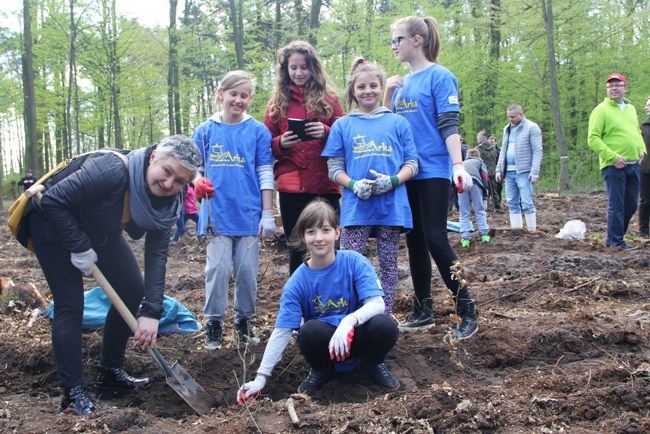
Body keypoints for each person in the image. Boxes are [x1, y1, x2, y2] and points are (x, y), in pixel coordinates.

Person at [25, 136, 202, 415]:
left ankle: (109, 373)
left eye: (180, 181)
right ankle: (72, 392)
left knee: (132, 290)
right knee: (71, 304)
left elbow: (157, 255)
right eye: (167, 172)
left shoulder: (169, 203)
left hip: (99, 227)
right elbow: (54, 200)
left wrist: (152, 311)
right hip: (52, 221)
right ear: (154, 156)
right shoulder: (111, 171)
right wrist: (79, 246)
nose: (169, 185)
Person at [236, 199, 400, 402]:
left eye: (325, 230)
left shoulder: (355, 262)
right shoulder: (297, 282)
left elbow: (377, 303)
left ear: (337, 233)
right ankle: (321, 370)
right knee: (309, 331)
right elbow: (282, 331)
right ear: (303, 237)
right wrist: (260, 379)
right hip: (326, 344)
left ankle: (371, 364)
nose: (319, 238)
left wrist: (348, 322)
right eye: (311, 232)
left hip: (357, 337)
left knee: (385, 325)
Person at [383, 15, 478, 339]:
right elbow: (390, 127)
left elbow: (448, 124)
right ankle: (423, 310)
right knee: (414, 239)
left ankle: (466, 306)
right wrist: (387, 94)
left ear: (417, 40)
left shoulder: (440, 76)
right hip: (406, 172)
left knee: (436, 237)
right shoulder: (400, 83)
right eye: (392, 41)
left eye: (398, 39)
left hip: (435, 168)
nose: (394, 46)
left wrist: (458, 165)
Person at [322, 57, 418, 314]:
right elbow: (334, 168)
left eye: (374, 86)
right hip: (356, 209)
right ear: (353, 91)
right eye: (361, 87)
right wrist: (353, 184)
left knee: (388, 265)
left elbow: (412, 163)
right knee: (349, 263)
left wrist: (394, 180)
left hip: (391, 207)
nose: (368, 91)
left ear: (381, 87)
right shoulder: (342, 125)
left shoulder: (398, 122)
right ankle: (350, 316)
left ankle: (382, 318)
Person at [192, 70, 276, 350]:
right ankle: (214, 322)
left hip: (249, 215)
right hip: (217, 215)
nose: (238, 100)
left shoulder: (257, 132)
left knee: (247, 271)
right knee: (216, 268)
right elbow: (196, 169)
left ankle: (244, 321)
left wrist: (267, 214)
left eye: (244, 95)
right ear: (221, 94)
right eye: (233, 94)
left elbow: (265, 173)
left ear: (249, 99)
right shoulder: (205, 131)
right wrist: (197, 182)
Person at [264, 40, 345, 275]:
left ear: (313, 68)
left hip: (324, 183)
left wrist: (326, 133)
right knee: (296, 247)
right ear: (285, 70)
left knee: (329, 243)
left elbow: (345, 139)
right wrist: (280, 143)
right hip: (291, 186)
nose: (298, 73)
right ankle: (298, 302)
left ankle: (332, 295)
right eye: (293, 67)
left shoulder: (330, 100)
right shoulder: (276, 104)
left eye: (304, 67)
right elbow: (264, 147)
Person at [587, 74, 646, 249]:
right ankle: (615, 241)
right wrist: (613, 157)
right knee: (617, 205)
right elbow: (593, 138)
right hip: (614, 166)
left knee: (631, 205)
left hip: (634, 164)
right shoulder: (601, 110)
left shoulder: (630, 109)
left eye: (617, 85)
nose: (614, 89)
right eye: (610, 86)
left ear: (625, 88)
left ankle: (617, 236)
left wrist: (642, 148)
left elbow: (636, 131)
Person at [495, 104, 543, 231]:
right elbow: (503, 150)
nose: (510, 119)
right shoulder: (507, 129)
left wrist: (534, 171)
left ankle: (532, 230)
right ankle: (516, 230)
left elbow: (537, 151)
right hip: (508, 172)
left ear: (521, 114)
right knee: (511, 202)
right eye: (508, 117)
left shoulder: (532, 128)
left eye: (513, 117)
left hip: (524, 171)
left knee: (527, 202)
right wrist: (499, 169)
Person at [458, 148, 491, 247]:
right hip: (475, 183)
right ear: (478, 155)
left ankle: (465, 238)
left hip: (462, 185)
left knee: (464, 212)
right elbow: (485, 178)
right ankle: (484, 234)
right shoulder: (480, 162)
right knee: (479, 210)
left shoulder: (462, 164)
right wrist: (485, 196)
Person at [476, 131, 499, 212]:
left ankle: (484, 205)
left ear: (480, 139)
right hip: (493, 171)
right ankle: (497, 206)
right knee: (494, 190)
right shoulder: (493, 148)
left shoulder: (478, 149)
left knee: (483, 190)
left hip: (483, 172)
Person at [638, 96, 650, 239]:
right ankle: (644, 232)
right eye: (646, 105)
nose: (647, 107)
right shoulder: (643, 126)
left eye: (649, 105)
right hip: (645, 168)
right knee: (646, 201)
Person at [489, 135, 503, 210]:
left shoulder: (499, 151)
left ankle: (498, 203)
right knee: (490, 189)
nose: (491, 143)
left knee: (498, 188)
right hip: (490, 173)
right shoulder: (487, 150)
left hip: (497, 171)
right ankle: (491, 204)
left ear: (496, 142)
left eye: (493, 142)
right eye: (490, 142)